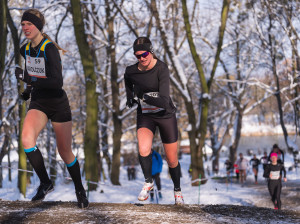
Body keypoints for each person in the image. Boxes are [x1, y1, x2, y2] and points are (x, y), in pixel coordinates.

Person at [14, 9, 88, 208]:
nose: (25, 28)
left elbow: (56, 82)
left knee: (64, 151)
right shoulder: (26, 50)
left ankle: (80, 189)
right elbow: (33, 72)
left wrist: (29, 79)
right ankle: (45, 183)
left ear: (38, 26)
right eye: (23, 25)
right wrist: (28, 91)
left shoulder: (49, 49)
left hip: (57, 103)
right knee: (27, 140)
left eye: (29, 24)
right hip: (38, 102)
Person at [124, 37, 183, 205]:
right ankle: (148, 181)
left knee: (171, 159)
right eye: (137, 55)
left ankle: (177, 190)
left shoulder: (161, 68)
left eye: (144, 54)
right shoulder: (131, 70)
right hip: (146, 115)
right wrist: (130, 97)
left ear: (151, 51)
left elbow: (164, 100)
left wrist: (142, 96)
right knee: (143, 149)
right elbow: (127, 79)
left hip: (165, 115)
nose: (142, 58)